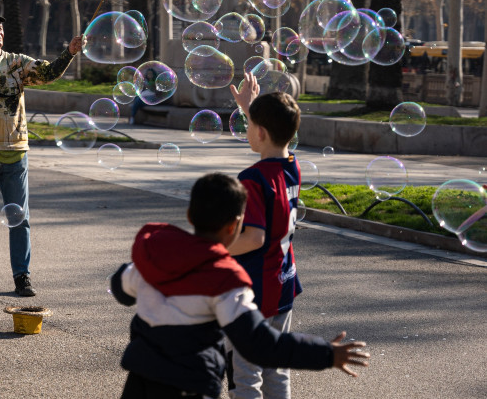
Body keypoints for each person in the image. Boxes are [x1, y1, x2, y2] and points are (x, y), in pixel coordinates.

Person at [110, 173, 370, 399]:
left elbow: (121, 289)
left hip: (139, 383)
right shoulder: (225, 282)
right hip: (188, 388)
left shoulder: (156, 257)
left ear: (190, 215)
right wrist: (325, 353)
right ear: (235, 225)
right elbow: (259, 344)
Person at [0, 13, 86, 297]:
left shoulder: (17, 63)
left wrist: (69, 53)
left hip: (15, 151)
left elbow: (48, 73)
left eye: (0, 29)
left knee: (21, 219)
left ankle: (22, 276)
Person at [225, 73, 303, 398]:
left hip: (254, 294)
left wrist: (214, 247)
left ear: (259, 131)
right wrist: (250, 109)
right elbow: (271, 140)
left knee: (245, 376)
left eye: (249, 125)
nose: (247, 131)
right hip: (283, 284)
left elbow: (253, 238)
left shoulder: (252, 179)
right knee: (276, 370)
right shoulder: (291, 167)